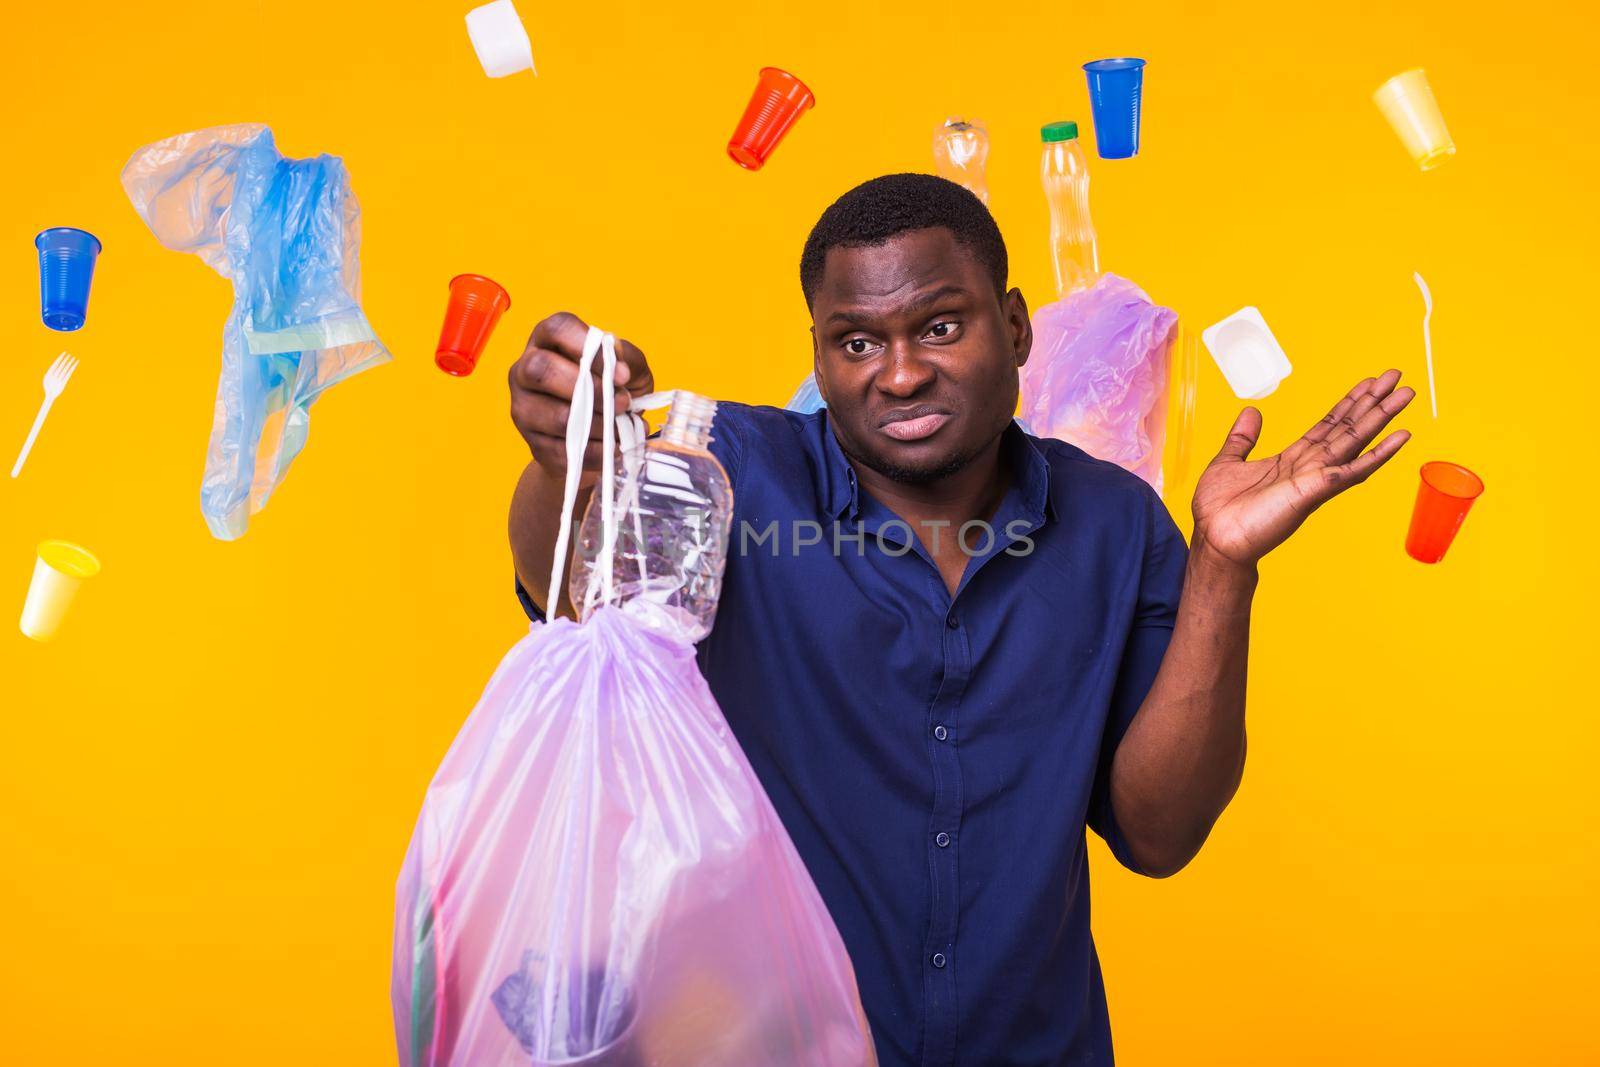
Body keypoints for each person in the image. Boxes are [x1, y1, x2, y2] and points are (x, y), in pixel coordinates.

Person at [505, 173, 1413, 1066]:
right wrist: (566, 466)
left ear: (1015, 326)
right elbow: (571, 590)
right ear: (818, 354)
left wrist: (1223, 565)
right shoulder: (733, 473)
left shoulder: (1114, 521)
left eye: (940, 327)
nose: (899, 374)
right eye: (855, 343)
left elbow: (1162, 832)